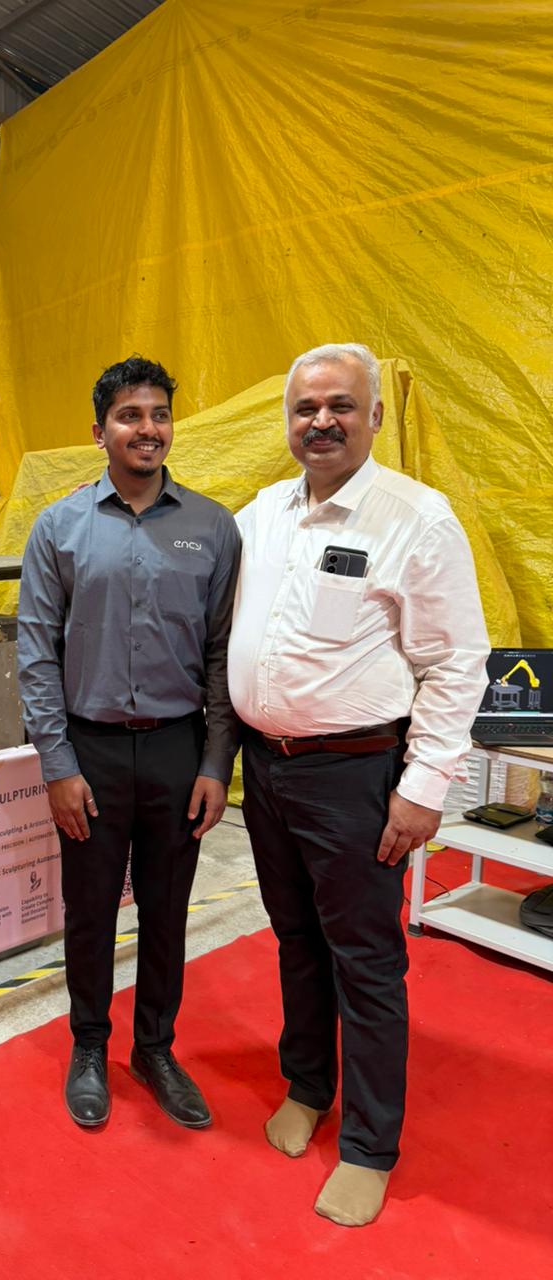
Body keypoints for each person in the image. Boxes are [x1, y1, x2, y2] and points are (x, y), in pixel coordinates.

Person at [227, 342, 490, 1226]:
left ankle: (370, 1146)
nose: (322, 421)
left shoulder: (417, 520)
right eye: (306, 408)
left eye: (341, 405)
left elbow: (456, 662)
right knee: (295, 939)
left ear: (374, 416)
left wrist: (423, 787)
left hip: (356, 777)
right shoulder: (262, 514)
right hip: (267, 772)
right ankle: (308, 1085)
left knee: (367, 962)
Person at [17, 356, 241, 1130]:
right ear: (100, 430)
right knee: (89, 912)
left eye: (160, 414)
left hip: (179, 750)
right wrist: (57, 765)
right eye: (130, 416)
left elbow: (223, 653)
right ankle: (89, 1046)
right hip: (92, 754)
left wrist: (215, 762)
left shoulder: (212, 528)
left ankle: (154, 1048)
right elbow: (36, 654)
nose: (148, 429)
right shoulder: (59, 528)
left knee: (167, 911)